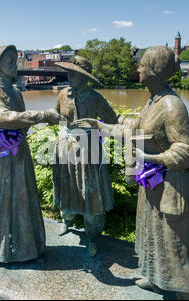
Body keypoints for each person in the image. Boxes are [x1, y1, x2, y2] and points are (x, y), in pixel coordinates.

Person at [75, 46, 189, 299]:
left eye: (142, 65)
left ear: (155, 70)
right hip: (153, 182)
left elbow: (187, 151)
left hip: (171, 185)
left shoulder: (171, 105)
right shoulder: (153, 100)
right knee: (153, 235)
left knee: (173, 243)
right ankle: (158, 279)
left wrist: (151, 157)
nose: (138, 69)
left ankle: (187, 293)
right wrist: (99, 125)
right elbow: (132, 128)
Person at [0, 45, 66, 263]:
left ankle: (24, 246)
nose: (15, 66)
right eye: (9, 62)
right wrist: (43, 115)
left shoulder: (15, 91)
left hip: (17, 148)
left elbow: (21, 119)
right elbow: (2, 117)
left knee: (21, 196)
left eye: (15, 61)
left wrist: (26, 128)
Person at [53, 56, 123, 257]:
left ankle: (93, 236)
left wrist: (98, 127)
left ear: (84, 78)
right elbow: (56, 116)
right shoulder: (63, 95)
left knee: (91, 195)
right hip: (66, 149)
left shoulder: (96, 98)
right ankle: (66, 221)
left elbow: (112, 121)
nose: (69, 76)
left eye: (73, 73)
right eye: (69, 72)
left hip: (89, 151)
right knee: (67, 189)